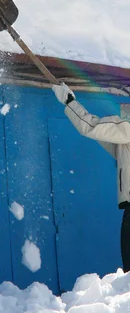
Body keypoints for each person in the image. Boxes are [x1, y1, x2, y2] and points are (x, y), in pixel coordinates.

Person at [52, 82, 130, 273]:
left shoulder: (127, 130)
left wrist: (70, 102)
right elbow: (100, 134)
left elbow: (91, 127)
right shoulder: (124, 140)